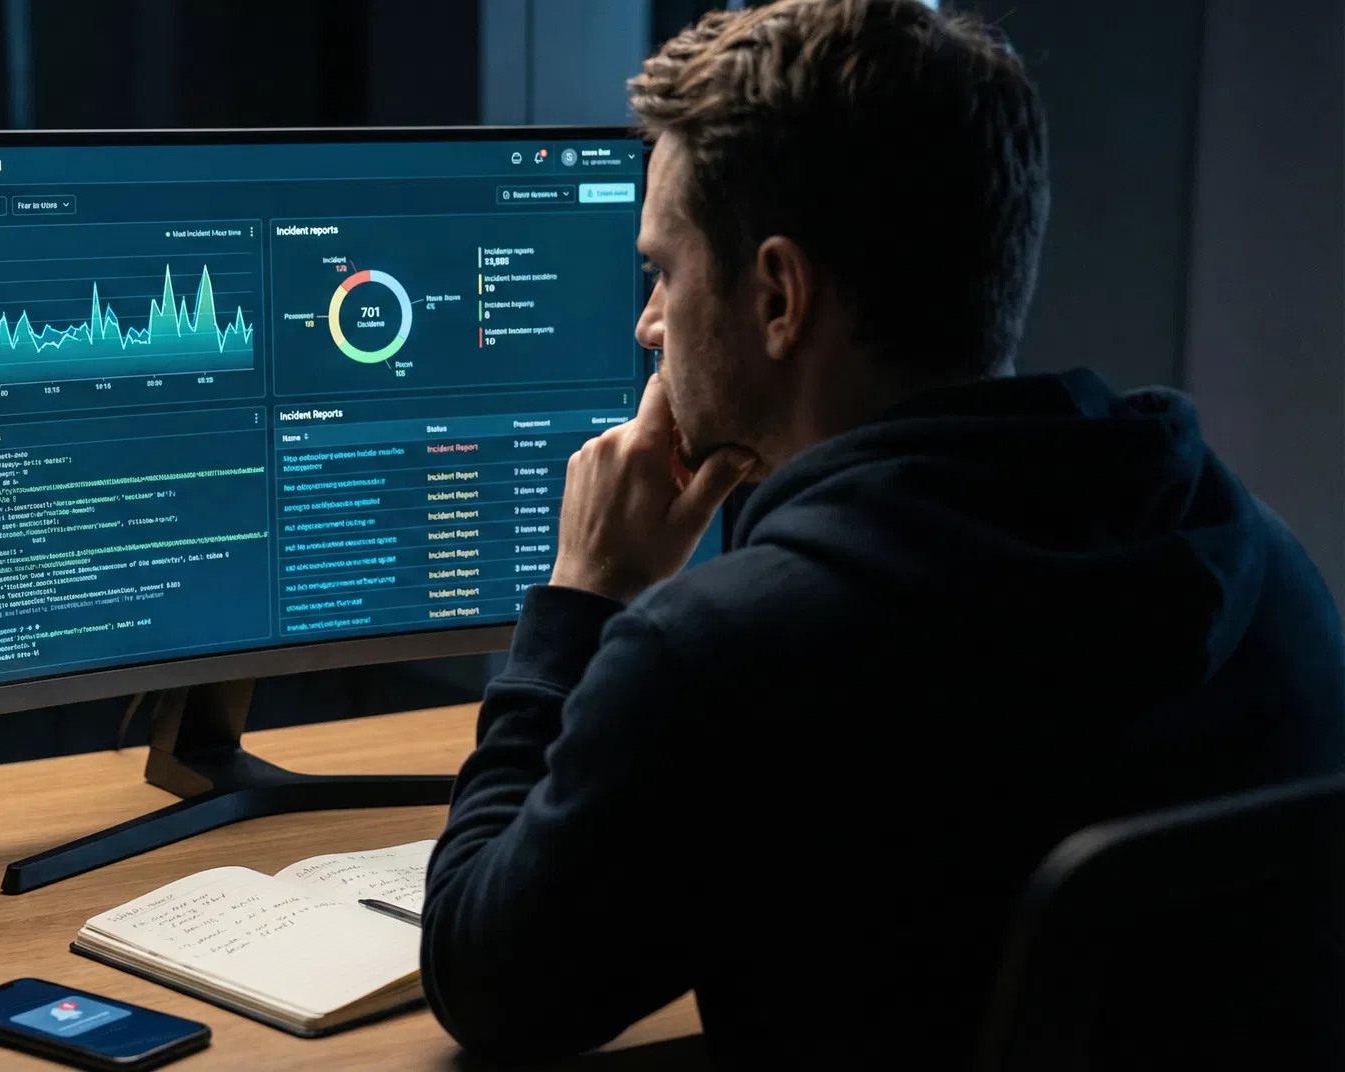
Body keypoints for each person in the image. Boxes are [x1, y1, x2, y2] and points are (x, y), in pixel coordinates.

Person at [420, 0, 1345, 1066]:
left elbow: (488, 980)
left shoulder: (724, 657)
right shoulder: (1270, 566)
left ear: (777, 296)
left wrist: (581, 601)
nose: (649, 323)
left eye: (664, 270)